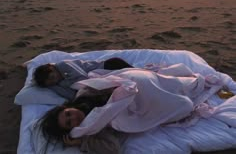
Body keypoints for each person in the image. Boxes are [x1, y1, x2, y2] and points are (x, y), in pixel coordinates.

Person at [40, 63, 234, 153]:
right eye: (69, 123)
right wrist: (82, 143)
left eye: (67, 114)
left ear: (66, 108)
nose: (73, 118)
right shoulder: (91, 130)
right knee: (185, 105)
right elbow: (112, 148)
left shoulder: (83, 94)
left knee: (180, 82)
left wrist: (123, 84)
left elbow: (104, 80)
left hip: (140, 82)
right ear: (70, 130)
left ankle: (182, 84)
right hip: (143, 104)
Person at [33, 57, 132, 100]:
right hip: (99, 81)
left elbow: (83, 78)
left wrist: (64, 83)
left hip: (105, 67)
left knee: (132, 73)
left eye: (52, 77)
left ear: (52, 67)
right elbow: (71, 96)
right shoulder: (55, 84)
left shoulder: (63, 65)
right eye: (51, 83)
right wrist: (52, 86)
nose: (55, 80)